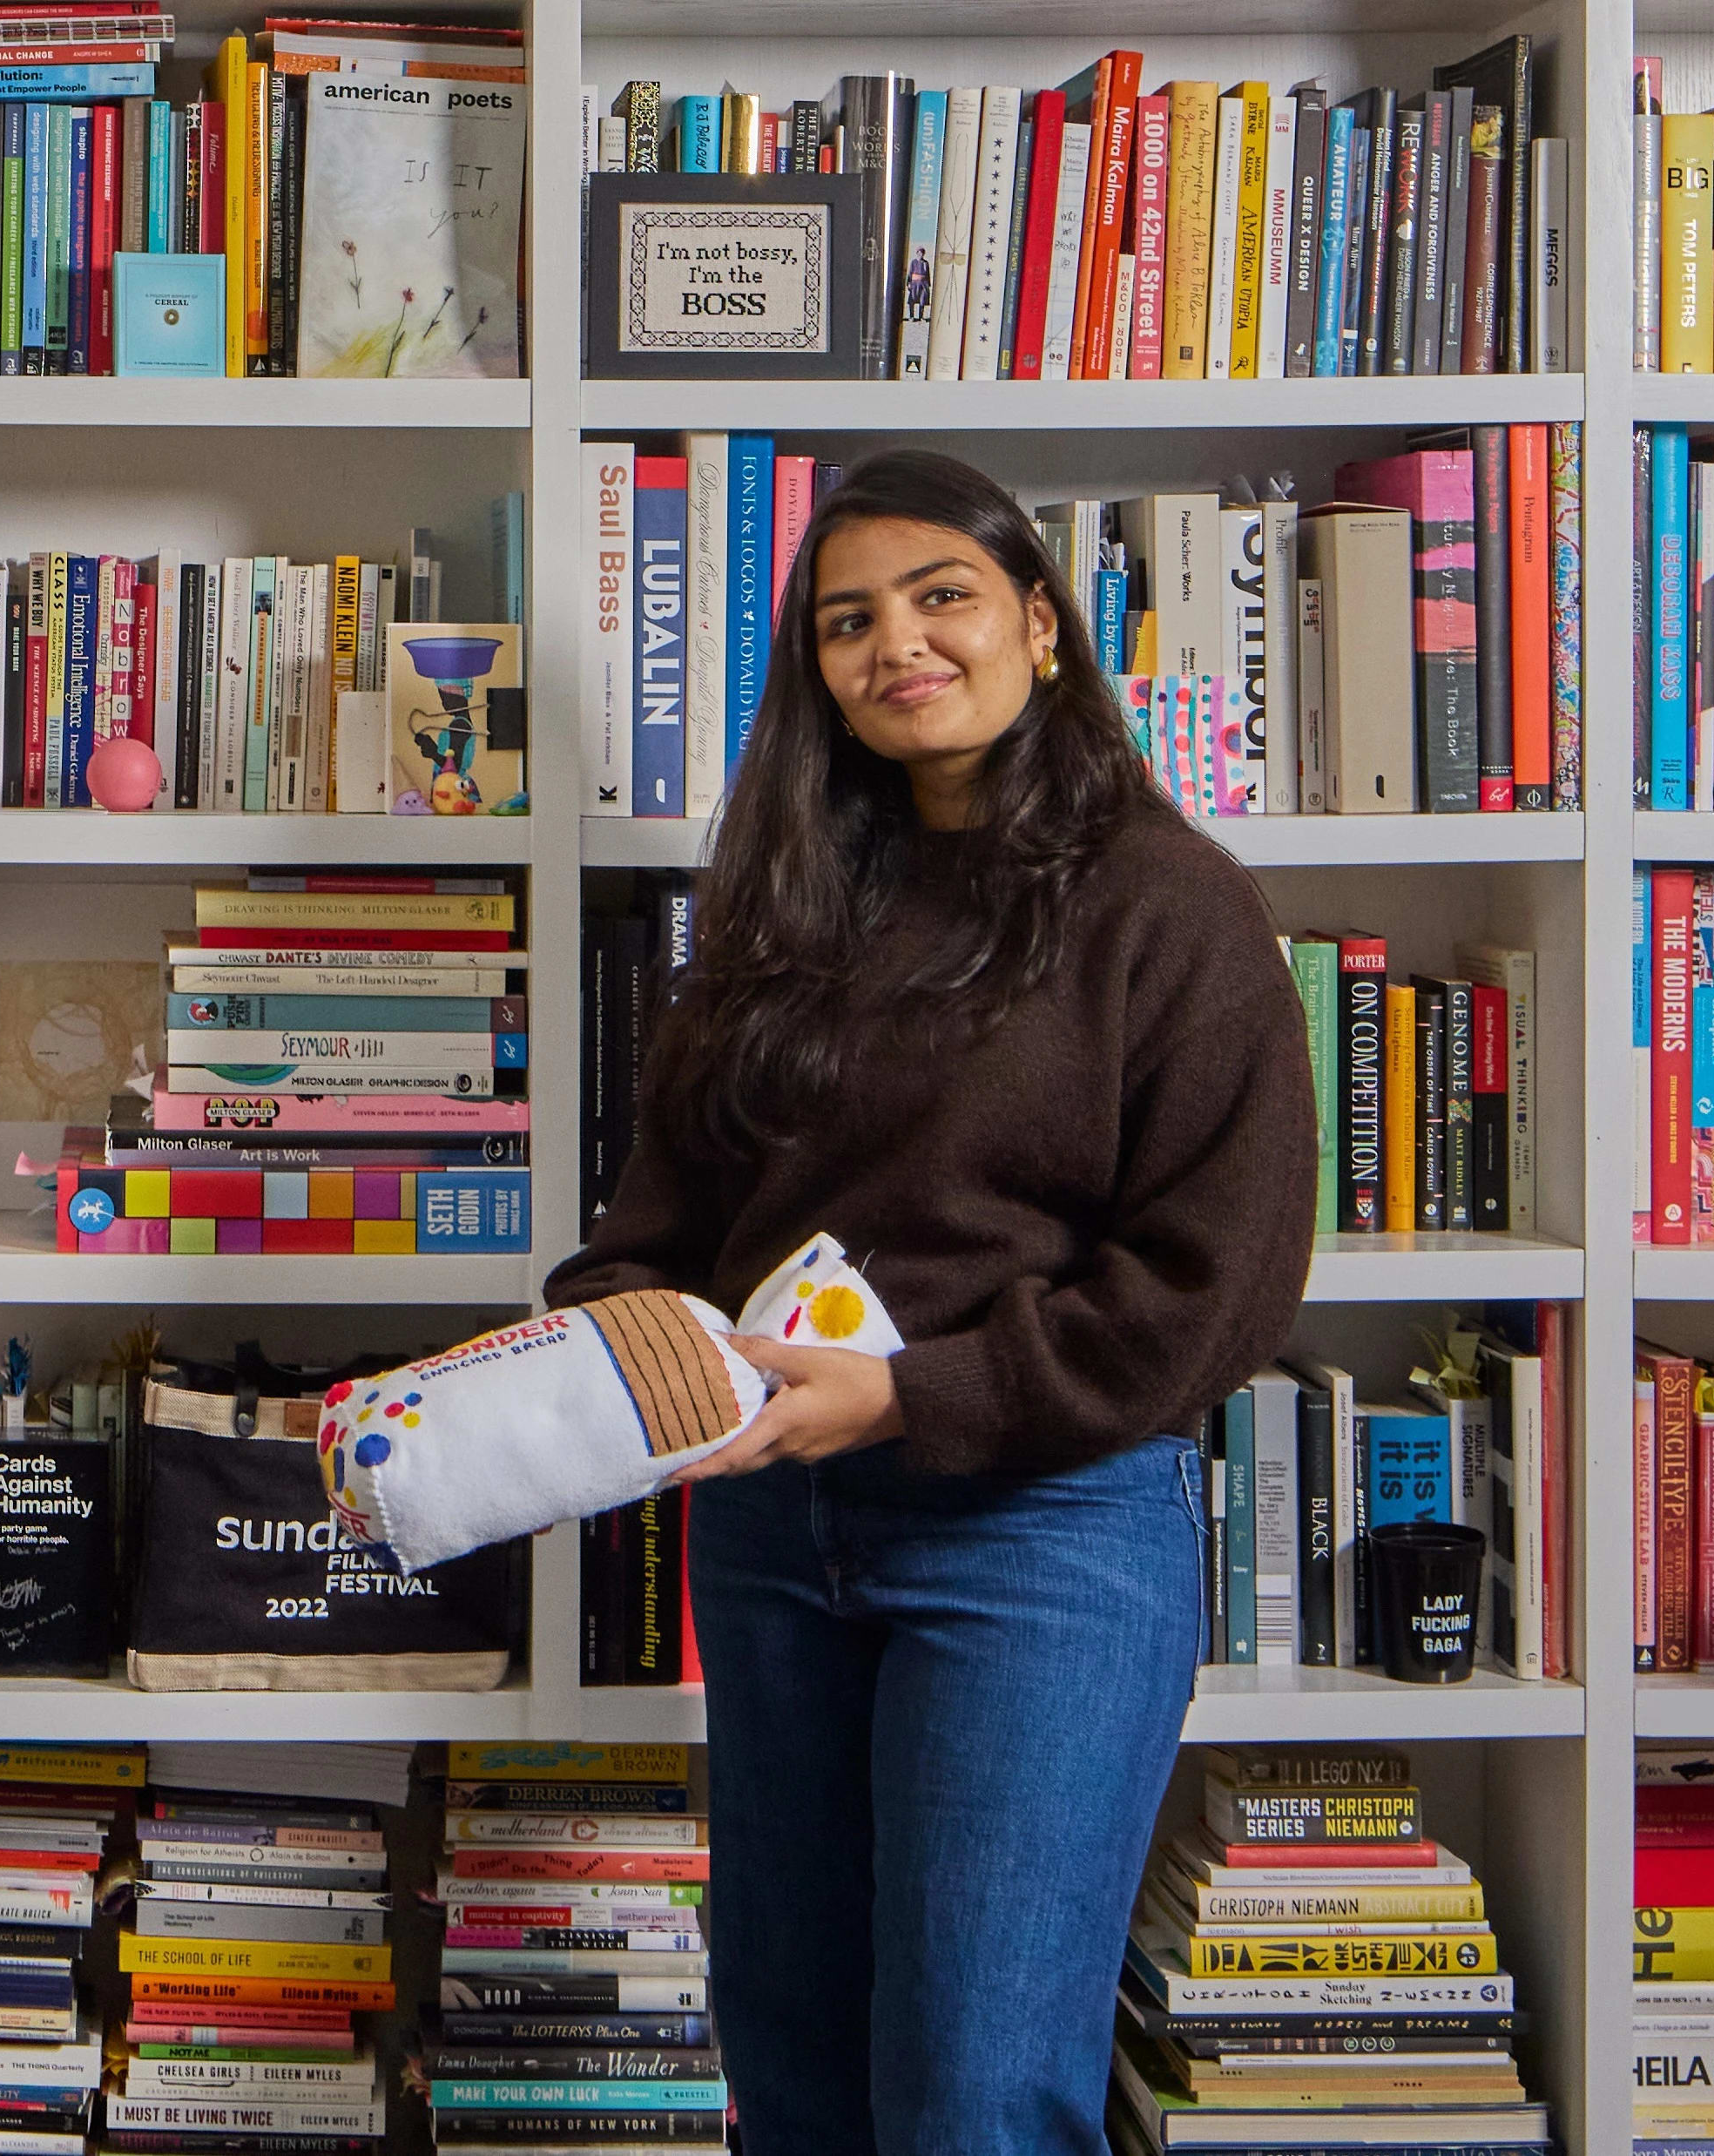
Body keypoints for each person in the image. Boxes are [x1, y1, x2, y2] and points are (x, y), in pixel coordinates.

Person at [549, 449, 1314, 2153]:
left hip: (1036, 1535)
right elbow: (652, 1230)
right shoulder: (777, 916)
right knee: (796, 2064)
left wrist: (906, 1396)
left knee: (973, 2088)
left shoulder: (1171, 906)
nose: (896, 642)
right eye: (846, 620)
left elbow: (1217, 1288)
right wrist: (607, 1352)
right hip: (771, 1531)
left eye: (940, 595)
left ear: (1039, 625)